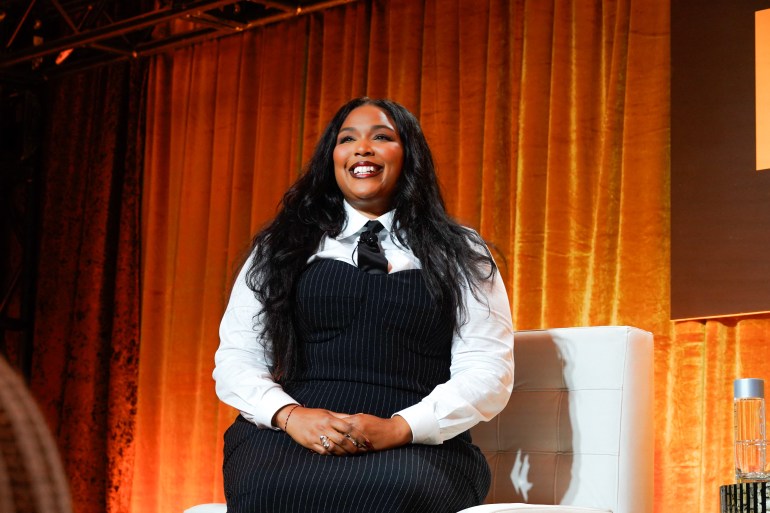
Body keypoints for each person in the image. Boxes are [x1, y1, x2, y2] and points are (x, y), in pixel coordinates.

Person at [213, 97, 514, 513]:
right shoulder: (281, 246)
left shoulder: (461, 250)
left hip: (418, 441)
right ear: (332, 158)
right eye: (347, 138)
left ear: (409, 156)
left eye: (382, 137)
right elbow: (237, 357)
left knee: (389, 494)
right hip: (293, 432)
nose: (362, 148)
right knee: (273, 490)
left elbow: (488, 370)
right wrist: (289, 416)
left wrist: (400, 428)